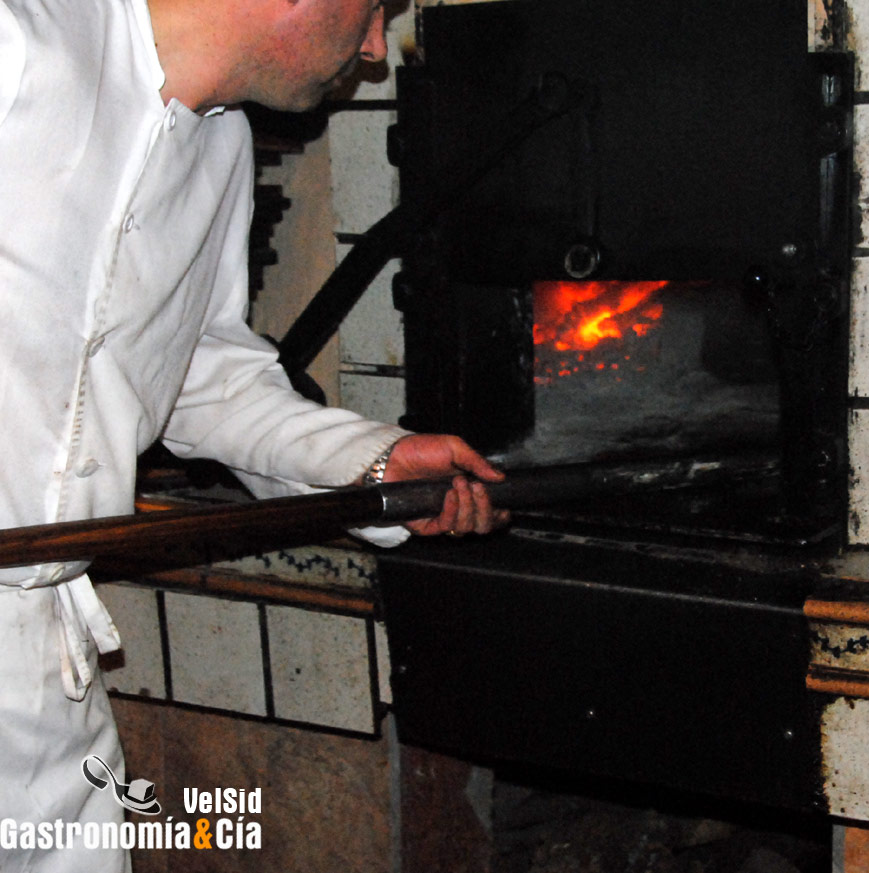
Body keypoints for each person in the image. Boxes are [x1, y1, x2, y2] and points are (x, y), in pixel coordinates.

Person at [0, 0, 506, 869]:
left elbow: (194, 371)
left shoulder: (220, 149)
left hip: (41, 675)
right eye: (375, 7)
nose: (376, 47)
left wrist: (368, 463)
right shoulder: (21, 41)